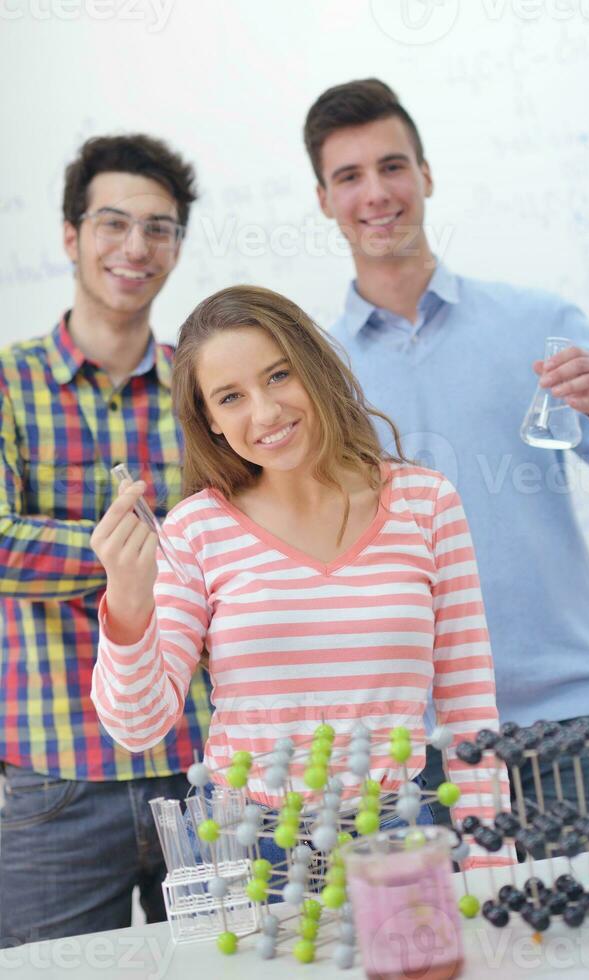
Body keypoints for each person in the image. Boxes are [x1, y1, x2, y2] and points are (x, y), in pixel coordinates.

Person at [303, 78, 589, 843]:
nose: (377, 193)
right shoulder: (311, 377)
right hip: (411, 754)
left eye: (393, 166)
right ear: (324, 199)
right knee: (447, 963)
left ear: (426, 176)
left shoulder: (542, 322)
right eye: (349, 176)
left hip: (572, 727)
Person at [90, 284, 511, 876]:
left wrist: (497, 873)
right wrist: (129, 605)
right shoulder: (195, 530)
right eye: (230, 396)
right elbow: (139, 726)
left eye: (279, 375)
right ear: (208, 419)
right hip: (250, 844)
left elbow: (469, 709)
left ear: (314, 368)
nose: (264, 413)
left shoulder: (426, 502)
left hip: (398, 833)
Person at [0, 134, 212, 946]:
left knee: (237, 970)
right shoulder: (11, 383)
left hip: (201, 769)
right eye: (113, 223)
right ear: (70, 235)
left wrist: (148, 557)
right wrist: (131, 556)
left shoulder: (203, 388)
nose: (136, 247)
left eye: (159, 228)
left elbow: (240, 540)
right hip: (57, 778)